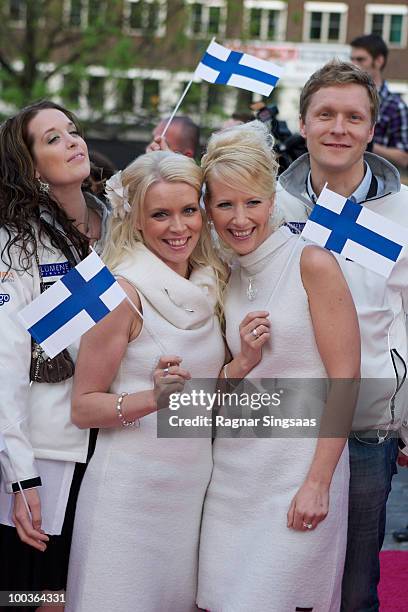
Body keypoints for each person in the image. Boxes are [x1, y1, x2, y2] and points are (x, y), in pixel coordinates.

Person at [197, 121, 360, 611]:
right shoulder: (223, 275)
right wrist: (241, 362)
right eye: (225, 204)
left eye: (252, 202)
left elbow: (346, 380)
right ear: (208, 208)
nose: (240, 218)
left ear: (272, 201)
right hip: (232, 478)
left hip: (299, 474)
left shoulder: (312, 262)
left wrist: (317, 482)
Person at [65, 150, 228, 612]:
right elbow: (83, 407)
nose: (178, 228)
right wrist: (151, 399)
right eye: (160, 214)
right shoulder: (121, 293)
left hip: (192, 493)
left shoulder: (211, 283)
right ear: (135, 220)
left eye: (188, 211)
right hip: (128, 497)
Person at [276, 60, 408, 611]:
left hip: (366, 419)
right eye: (325, 114)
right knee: (280, 572)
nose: (338, 128)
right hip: (278, 415)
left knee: (356, 587)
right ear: (303, 123)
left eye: (353, 117)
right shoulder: (269, 204)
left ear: (372, 129)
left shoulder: (402, 209)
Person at [0, 101, 108, 607]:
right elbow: (5, 371)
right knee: (24, 596)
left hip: (108, 450)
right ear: (28, 165)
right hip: (43, 457)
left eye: (72, 130)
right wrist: (21, 478)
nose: (71, 141)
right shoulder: (14, 247)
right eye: (51, 138)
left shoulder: (118, 222)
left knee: (68, 594)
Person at [351, 33, 408, 169]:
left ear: (379, 61)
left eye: (360, 59)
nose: (354, 65)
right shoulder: (345, 99)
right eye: (352, 59)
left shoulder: (396, 106)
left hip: (379, 184)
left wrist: (364, 143)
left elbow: (404, 157)